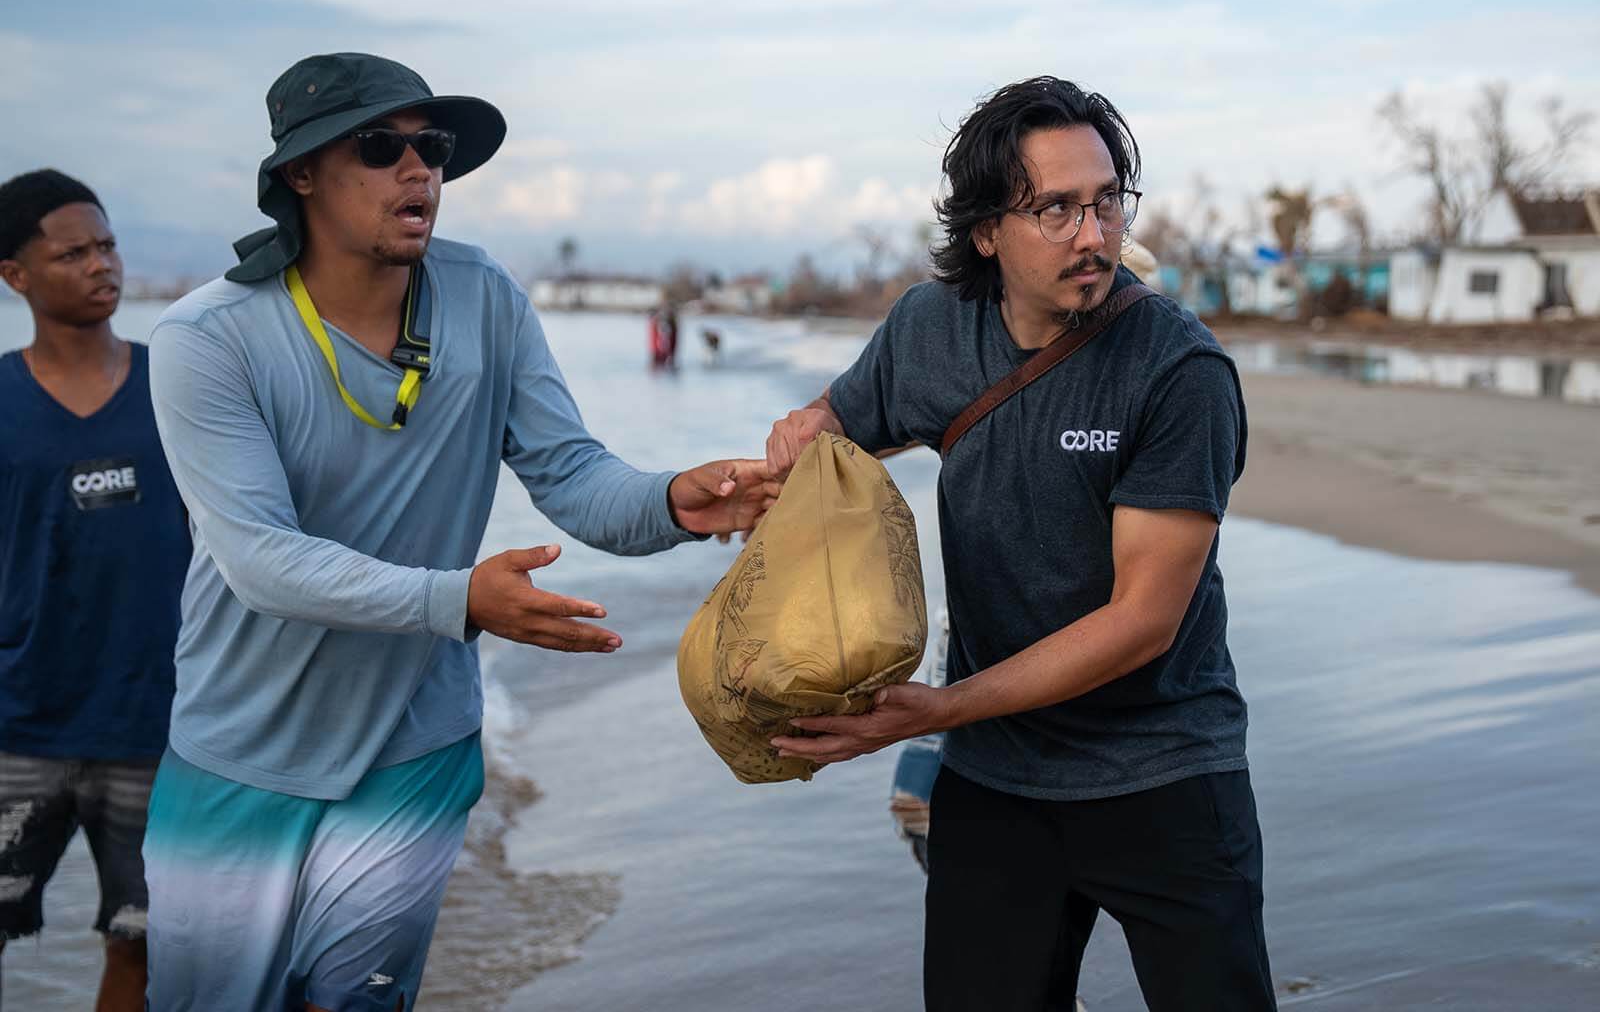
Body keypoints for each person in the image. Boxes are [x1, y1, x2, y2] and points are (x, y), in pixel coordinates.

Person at [142, 53, 777, 1011]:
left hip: (416, 738)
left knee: (359, 1002)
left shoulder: (483, 296)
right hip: (244, 745)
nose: (420, 170)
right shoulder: (208, 339)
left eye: (432, 147)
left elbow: (569, 472)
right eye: (381, 146)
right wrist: (462, 599)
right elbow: (260, 561)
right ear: (301, 174)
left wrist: (671, 501)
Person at [765, 77, 1273, 1011]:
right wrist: (801, 434)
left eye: (1105, 202)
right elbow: (841, 423)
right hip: (996, 780)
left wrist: (937, 709)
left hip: (1163, 770)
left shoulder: (1178, 370)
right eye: (1056, 210)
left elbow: (1140, 624)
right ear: (987, 231)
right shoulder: (931, 328)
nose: (1093, 235)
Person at [0, 170, 189, 1012]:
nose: (99, 264)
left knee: (144, 949)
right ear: (16, 276)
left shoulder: (178, 387)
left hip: (156, 725)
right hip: (17, 726)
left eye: (106, 245)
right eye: (71, 252)